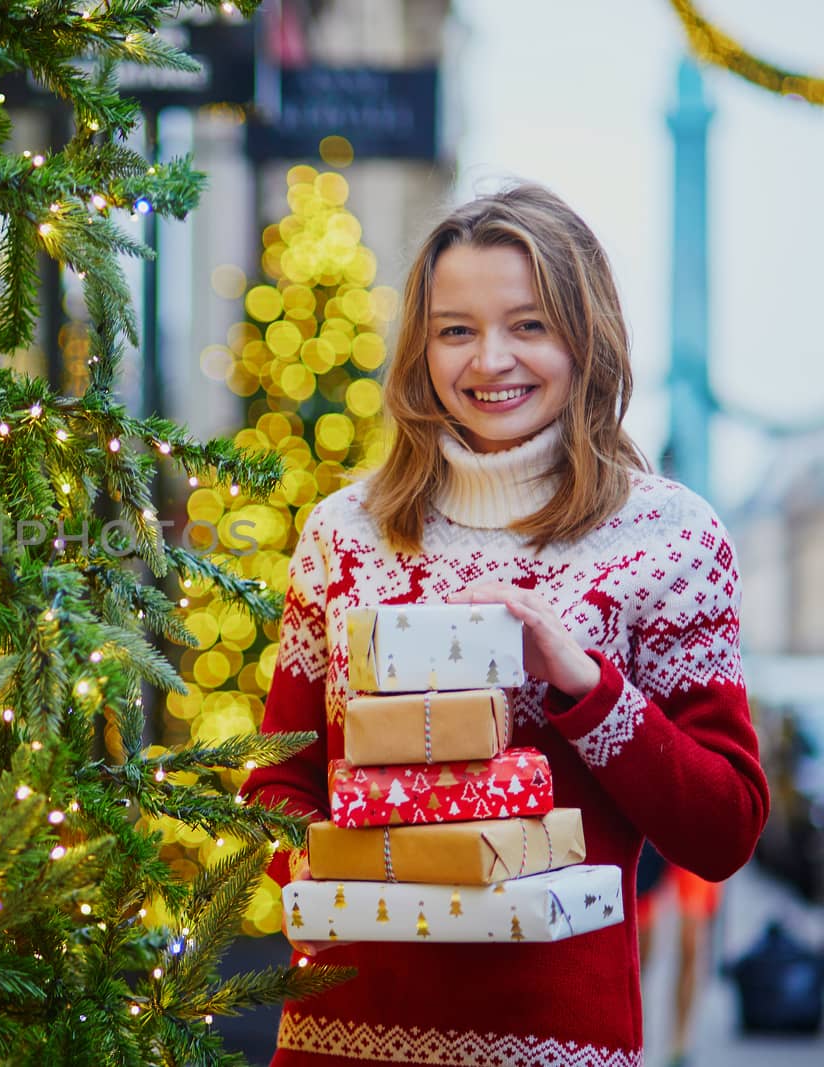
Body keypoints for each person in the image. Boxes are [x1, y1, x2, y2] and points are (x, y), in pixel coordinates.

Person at [242, 182, 769, 1066]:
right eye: (456, 329)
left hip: (557, 1044)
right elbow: (276, 785)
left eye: (529, 325)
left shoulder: (671, 539)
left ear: (584, 335)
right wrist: (357, 881)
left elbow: (724, 830)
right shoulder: (345, 534)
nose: (490, 360)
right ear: (421, 347)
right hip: (341, 1038)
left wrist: (589, 688)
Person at [637, 842, 723, 1067]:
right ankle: (637, 1034)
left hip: (695, 830)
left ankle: (680, 1046)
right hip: (650, 829)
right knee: (639, 949)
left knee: (691, 941)